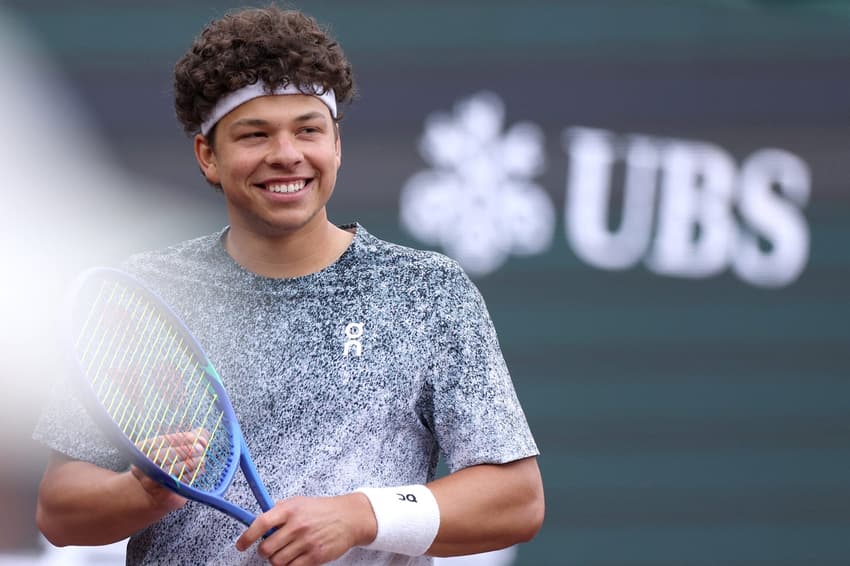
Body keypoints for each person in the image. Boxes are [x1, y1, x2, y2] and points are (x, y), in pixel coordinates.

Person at [33, 6, 544, 565]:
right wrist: (143, 492)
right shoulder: (144, 293)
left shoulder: (427, 291)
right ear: (208, 156)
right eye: (255, 134)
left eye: (308, 130)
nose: (286, 155)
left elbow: (516, 501)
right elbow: (59, 512)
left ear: (336, 144)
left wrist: (359, 516)